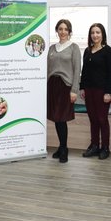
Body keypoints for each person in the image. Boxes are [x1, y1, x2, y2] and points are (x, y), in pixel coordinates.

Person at [80, 23, 111, 160]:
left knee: (102, 119)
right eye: (93, 33)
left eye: (98, 32)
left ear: (103, 35)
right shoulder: (87, 50)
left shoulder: (108, 51)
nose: (95, 35)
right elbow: (84, 72)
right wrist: (82, 87)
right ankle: (94, 145)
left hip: (102, 91)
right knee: (93, 119)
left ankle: (105, 147)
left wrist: (109, 92)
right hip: (89, 90)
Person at [46, 19, 81, 163]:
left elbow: (77, 69)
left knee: (61, 118)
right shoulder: (52, 48)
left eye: (66, 29)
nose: (63, 32)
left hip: (65, 86)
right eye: (60, 29)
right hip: (52, 85)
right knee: (56, 118)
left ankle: (64, 148)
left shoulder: (74, 48)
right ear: (57, 31)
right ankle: (61, 147)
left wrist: (74, 90)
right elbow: (48, 68)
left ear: (70, 32)